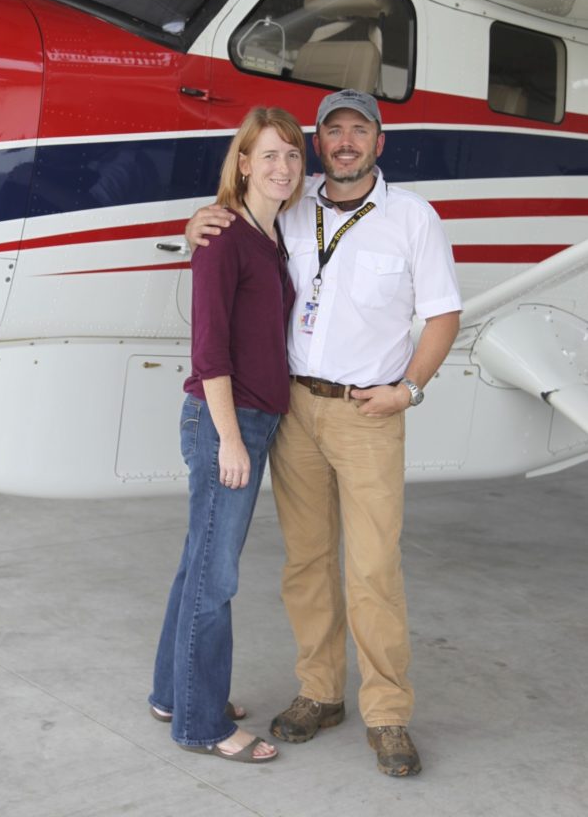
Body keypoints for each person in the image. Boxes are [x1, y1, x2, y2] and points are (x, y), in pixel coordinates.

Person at [185, 88, 461, 777]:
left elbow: (442, 316)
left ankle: (387, 713)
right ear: (319, 143)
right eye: (332, 130)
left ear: (378, 143)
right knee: (306, 563)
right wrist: (198, 222)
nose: (344, 142)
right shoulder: (293, 199)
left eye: (358, 130)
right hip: (295, 410)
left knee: (372, 568)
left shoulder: (412, 218)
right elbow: (237, 220)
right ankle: (319, 691)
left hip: (369, 415)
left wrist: (408, 389)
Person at [148, 106, 306, 764]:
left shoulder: (269, 237)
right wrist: (231, 440)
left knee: (198, 566)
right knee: (215, 581)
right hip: (225, 421)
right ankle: (202, 724)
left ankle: (173, 694)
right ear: (242, 163)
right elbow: (209, 351)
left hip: (249, 419)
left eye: (292, 155)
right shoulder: (223, 237)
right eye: (268, 154)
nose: (282, 167)